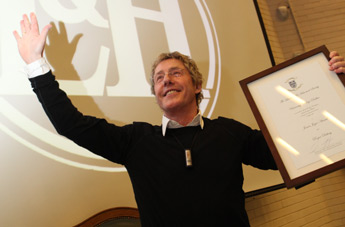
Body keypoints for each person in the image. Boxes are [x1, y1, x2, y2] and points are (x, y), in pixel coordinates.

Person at [13, 13, 345, 226]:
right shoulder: (135, 141)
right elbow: (72, 124)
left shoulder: (231, 133)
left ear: (197, 85)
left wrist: (333, 87)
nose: (166, 80)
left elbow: (292, 152)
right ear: (155, 94)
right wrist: (36, 66)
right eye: (159, 78)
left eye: (176, 73)